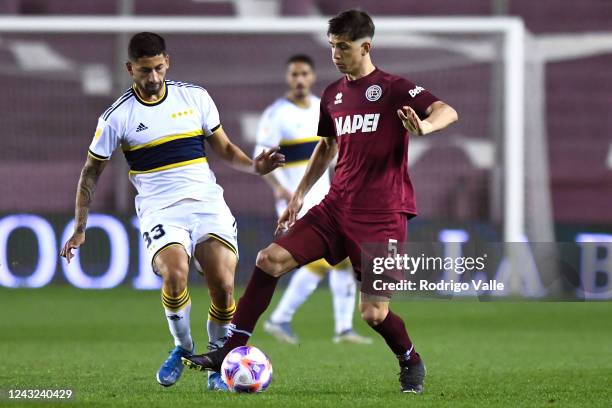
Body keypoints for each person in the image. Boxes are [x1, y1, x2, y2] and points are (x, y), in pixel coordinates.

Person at [183, 9, 458, 394]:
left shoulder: (394, 87)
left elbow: (447, 110)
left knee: (373, 314)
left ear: (366, 47)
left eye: (343, 47)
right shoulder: (332, 94)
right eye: (331, 46)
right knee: (268, 259)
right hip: (335, 207)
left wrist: (424, 126)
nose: (335, 55)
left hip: (381, 216)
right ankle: (230, 348)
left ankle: (409, 359)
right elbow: (326, 147)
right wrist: (297, 197)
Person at [59, 32, 284, 391]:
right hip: (160, 210)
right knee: (175, 274)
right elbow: (91, 172)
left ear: (168, 62)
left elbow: (224, 148)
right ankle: (182, 348)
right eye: (144, 71)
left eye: (158, 68)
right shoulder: (117, 117)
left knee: (224, 284)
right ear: (129, 68)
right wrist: (81, 227)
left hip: (207, 203)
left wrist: (256, 167)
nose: (152, 78)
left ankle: (217, 358)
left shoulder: (194, 98)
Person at [255, 54, 371, 345]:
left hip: (327, 197)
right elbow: (261, 161)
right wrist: (278, 188)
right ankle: (280, 318)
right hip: (295, 200)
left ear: (312, 76)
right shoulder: (275, 114)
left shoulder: (325, 107)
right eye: (294, 74)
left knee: (342, 260)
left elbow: (333, 150)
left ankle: (343, 329)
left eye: (304, 74)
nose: (299, 80)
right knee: (319, 262)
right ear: (287, 78)